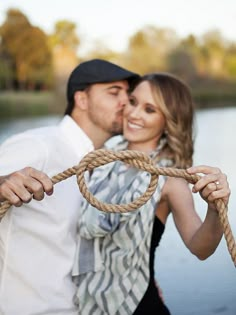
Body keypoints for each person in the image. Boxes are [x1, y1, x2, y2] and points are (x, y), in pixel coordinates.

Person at [72, 73, 231, 314]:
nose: (134, 114)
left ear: (168, 121)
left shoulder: (171, 179)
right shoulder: (101, 160)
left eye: (149, 110)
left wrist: (214, 209)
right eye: (133, 102)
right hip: (88, 303)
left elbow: (200, 248)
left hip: (139, 306)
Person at [0, 59, 139, 315]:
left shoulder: (109, 163)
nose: (125, 102)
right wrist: (3, 183)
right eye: (114, 92)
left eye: (128, 95)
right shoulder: (39, 145)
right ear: (82, 100)